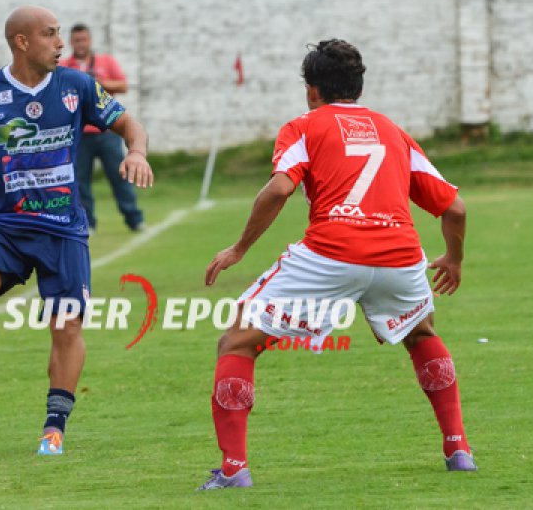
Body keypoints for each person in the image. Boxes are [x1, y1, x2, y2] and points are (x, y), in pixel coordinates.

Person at [198, 38, 475, 490]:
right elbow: (456, 209)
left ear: (312, 90)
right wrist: (454, 260)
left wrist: (239, 249)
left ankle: (233, 471)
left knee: (237, 340)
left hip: (332, 252)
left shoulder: (304, 126)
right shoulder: (392, 131)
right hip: (400, 254)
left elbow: (279, 190)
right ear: (358, 87)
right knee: (422, 334)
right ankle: (458, 448)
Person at [0, 5, 153, 455]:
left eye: (59, 34)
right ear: (21, 42)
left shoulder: (78, 86)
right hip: (4, 223)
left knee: (66, 325)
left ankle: (53, 429)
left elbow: (127, 122)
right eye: (50, 34)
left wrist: (135, 150)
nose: (60, 43)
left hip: (62, 229)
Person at [60, 23, 144, 232]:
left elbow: (123, 85)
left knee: (120, 176)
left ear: (90, 40)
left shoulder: (106, 62)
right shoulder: (63, 66)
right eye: (77, 40)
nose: (81, 44)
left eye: (84, 39)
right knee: (80, 181)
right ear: (71, 42)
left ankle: (134, 219)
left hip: (107, 132)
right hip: (79, 134)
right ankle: (88, 223)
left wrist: (96, 83)